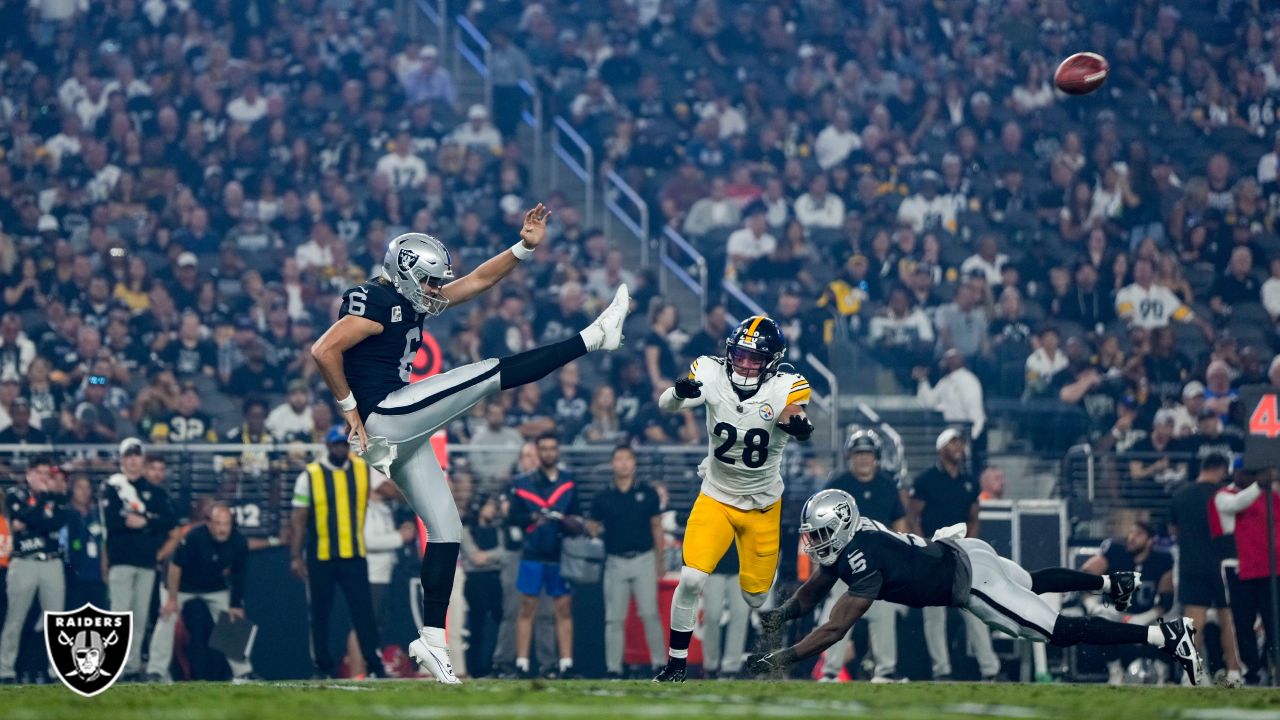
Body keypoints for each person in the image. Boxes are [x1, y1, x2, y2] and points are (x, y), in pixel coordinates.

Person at [309, 209, 629, 684]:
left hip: (401, 427)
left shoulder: (411, 296)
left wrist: (524, 247)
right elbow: (323, 350)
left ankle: (432, 641)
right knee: (485, 373)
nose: (438, 290)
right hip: (386, 414)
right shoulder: (374, 300)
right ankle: (593, 338)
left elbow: (479, 280)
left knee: (446, 529)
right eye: (431, 282)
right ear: (404, 274)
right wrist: (350, 411)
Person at [744, 490, 1204, 686]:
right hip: (968, 551)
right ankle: (1110, 582)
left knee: (1056, 630)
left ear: (841, 528)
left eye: (821, 535)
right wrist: (778, 618)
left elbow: (833, 629)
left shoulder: (862, 558)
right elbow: (810, 593)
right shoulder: (853, 542)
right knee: (1030, 581)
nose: (815, 544)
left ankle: (1164, 636)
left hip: (968, 581)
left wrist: (780, 658)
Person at [653, 315, 814, 682]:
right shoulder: (709, 372)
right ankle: (676, 665)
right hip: (717, 496)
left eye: (754, 359)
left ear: (772, 362)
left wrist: (797, 424)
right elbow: (668, 405)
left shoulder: (788, 384)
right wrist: (679, 392)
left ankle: (764, 642)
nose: (743, 363)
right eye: (739, 355)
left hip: (762, 505)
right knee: (691, 578)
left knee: (756, 597)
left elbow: (793, 412)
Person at [290, 427, 385, 680]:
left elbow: (386, 488)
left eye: (344, 445)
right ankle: (322, 666)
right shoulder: (310, 475)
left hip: (354, 554)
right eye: (336, 445)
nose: (341, 449)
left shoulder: (362, 469)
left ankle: (373, 663)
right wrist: (295, 555)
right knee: (320, 613)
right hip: (321, 556)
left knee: (363, 612)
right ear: (328, 446)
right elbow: (298, 519)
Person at [819, 429, 909, 682]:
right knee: (839, 617)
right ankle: (830, 671)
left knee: (884, 617)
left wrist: (900, 552)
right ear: (850, 456)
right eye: (858, 453)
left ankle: (885, 670)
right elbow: (819, 521)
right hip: (844, 565)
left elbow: (900, 521)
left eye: (868, 454)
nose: (863, 459)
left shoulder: (887, 486)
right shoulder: (837, 485)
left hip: (879, 567)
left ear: (876, 457)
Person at [908, 428, 997, 680]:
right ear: (940, 448)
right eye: (953, 442)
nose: (959, 446)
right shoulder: (926, 480)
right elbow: (913, 515)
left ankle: (990, 669)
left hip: (960, 556)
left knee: (974, 611)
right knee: (934, 617)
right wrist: (924, 545)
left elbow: (974, 516)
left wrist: (971, 544)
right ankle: (941, 670)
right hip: (933, 554)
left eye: (961, 442)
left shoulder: (968, 482)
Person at [507, 433, 583, 678]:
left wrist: (568, 522)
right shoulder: (522, 483)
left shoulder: (569, 482)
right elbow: (512, 518)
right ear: (538, 452)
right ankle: (521, 664)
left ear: (558, 451)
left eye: (552, 448)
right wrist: (533, 517)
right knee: (527, 608)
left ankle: (566, 664)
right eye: (544, 449)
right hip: (532, 553)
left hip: (560, 554)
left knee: (563, 609)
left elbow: (578, 517)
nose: (549, 453)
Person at [103, 438, 176, 680]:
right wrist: (145, 521)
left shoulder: (154, 491)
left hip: (146, 560)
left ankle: (132, 666)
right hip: (121, 558)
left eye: (136, 455)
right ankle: (115, 665)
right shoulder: (112, 487)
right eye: (128, 456)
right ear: (121, 459)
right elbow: (111, 520)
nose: (133, 460)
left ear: (141, 459)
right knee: (119, 616)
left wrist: (145, 520)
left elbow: (167, 520)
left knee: (140, 616)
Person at [589, 446, 665, 678]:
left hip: (643, 559)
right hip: (614, 561)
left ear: (634, 463)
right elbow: (592, 527)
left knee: (650, 614)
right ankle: (614, 668)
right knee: (614, 618)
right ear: (612, 464)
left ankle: (660, 664)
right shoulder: (602, 497)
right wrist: (591, 529)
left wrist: (659, 561)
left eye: (627, 458)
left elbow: (656, 527)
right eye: (618, 459)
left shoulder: (648, 493)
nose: (623, 463)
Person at [1168, 453, 1244, 686]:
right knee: (1227, 618)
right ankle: (1233, 672)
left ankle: (1190, 673)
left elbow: (1172, 530)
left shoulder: (1180, 495)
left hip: (1191, 563)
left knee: (1193, 622)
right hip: (1222, 564)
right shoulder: (1225, 495)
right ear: (1221, 468)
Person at [160, 504, 255, 680]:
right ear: (209, 523)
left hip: (214, 586)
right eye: (218, 524)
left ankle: (243, 672)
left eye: (226, 524)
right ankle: (156, 672)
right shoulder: (194, 536)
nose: (222, 529)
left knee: (233, 618)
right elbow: (175, 567)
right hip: (182, 586)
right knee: (166, 616)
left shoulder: (239, 541)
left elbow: (239, 574)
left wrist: (235, 605)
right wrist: (172, 599)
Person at [1080, 522, 1177, 684]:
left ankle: (1161, 672)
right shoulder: (1116, 552)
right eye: (1131, 533)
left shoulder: (1162, 560)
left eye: (1138, 534)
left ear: (1150, 540)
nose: (1131, 538)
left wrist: (1145, 617)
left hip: (1147, 615)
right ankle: (1115, 671)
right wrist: (1092, 605)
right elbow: (1084, 578)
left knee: (1175, 623)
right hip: (1116, 614)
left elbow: (1167, 601)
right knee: (1101, 620)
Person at [0, 456, 69, 683]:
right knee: (15, 618)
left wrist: (30, 521)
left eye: (46, 474)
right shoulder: (15, 494)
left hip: (51, 561)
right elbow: (22, 518)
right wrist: (40, 506)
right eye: (38, 473)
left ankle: (56, 670)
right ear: (28, 474)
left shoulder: (56, 497)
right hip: (24, 561)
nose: (43, 478)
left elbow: (55, 522)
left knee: (56, 620)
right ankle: (5, 669)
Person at [1213, 469, 1280, 685]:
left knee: (1274, 623)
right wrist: (1259, 486)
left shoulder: (1272, 496)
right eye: (1246, 473)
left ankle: (1275, 667)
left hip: (1271, 570)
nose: (1249, 476)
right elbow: (1234, 505)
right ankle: (1252, 670)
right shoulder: (1224, 494)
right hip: (1239, 569)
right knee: (1243, 623)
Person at [461, 493, 505, 679]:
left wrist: (486, 557)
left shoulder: (499, 530)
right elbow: (473, 557)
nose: (492, 510)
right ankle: (475, 666)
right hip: (475, 580)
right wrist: (492, 557)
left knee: (499, 622)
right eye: (488, 506)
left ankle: (494, 663)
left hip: (495, 579)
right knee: (477, 624)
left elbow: (505, 552)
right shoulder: (465, 530)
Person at [64, 474, 107, 609]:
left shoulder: (97, 515)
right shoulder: (65, 514)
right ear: (72, 490)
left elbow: (103, 542)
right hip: (73, 575)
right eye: (79, 487)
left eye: (87, 488)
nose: (84, 492)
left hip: (96, 574)